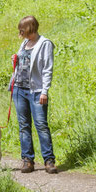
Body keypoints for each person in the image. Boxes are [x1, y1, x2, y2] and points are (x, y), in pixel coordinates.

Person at [9, 16, 57, 174]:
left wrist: (45, 91)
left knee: (41, 125)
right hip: (19, 89)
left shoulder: (45, 44)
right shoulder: (24, 43)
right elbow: (22, 67)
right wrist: (14, 61)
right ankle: (27, 160)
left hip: (36, 91)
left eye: (22, 29)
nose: (20, 32)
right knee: (24, 127)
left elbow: (47, 69)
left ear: (29, 28)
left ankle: (49, 161)